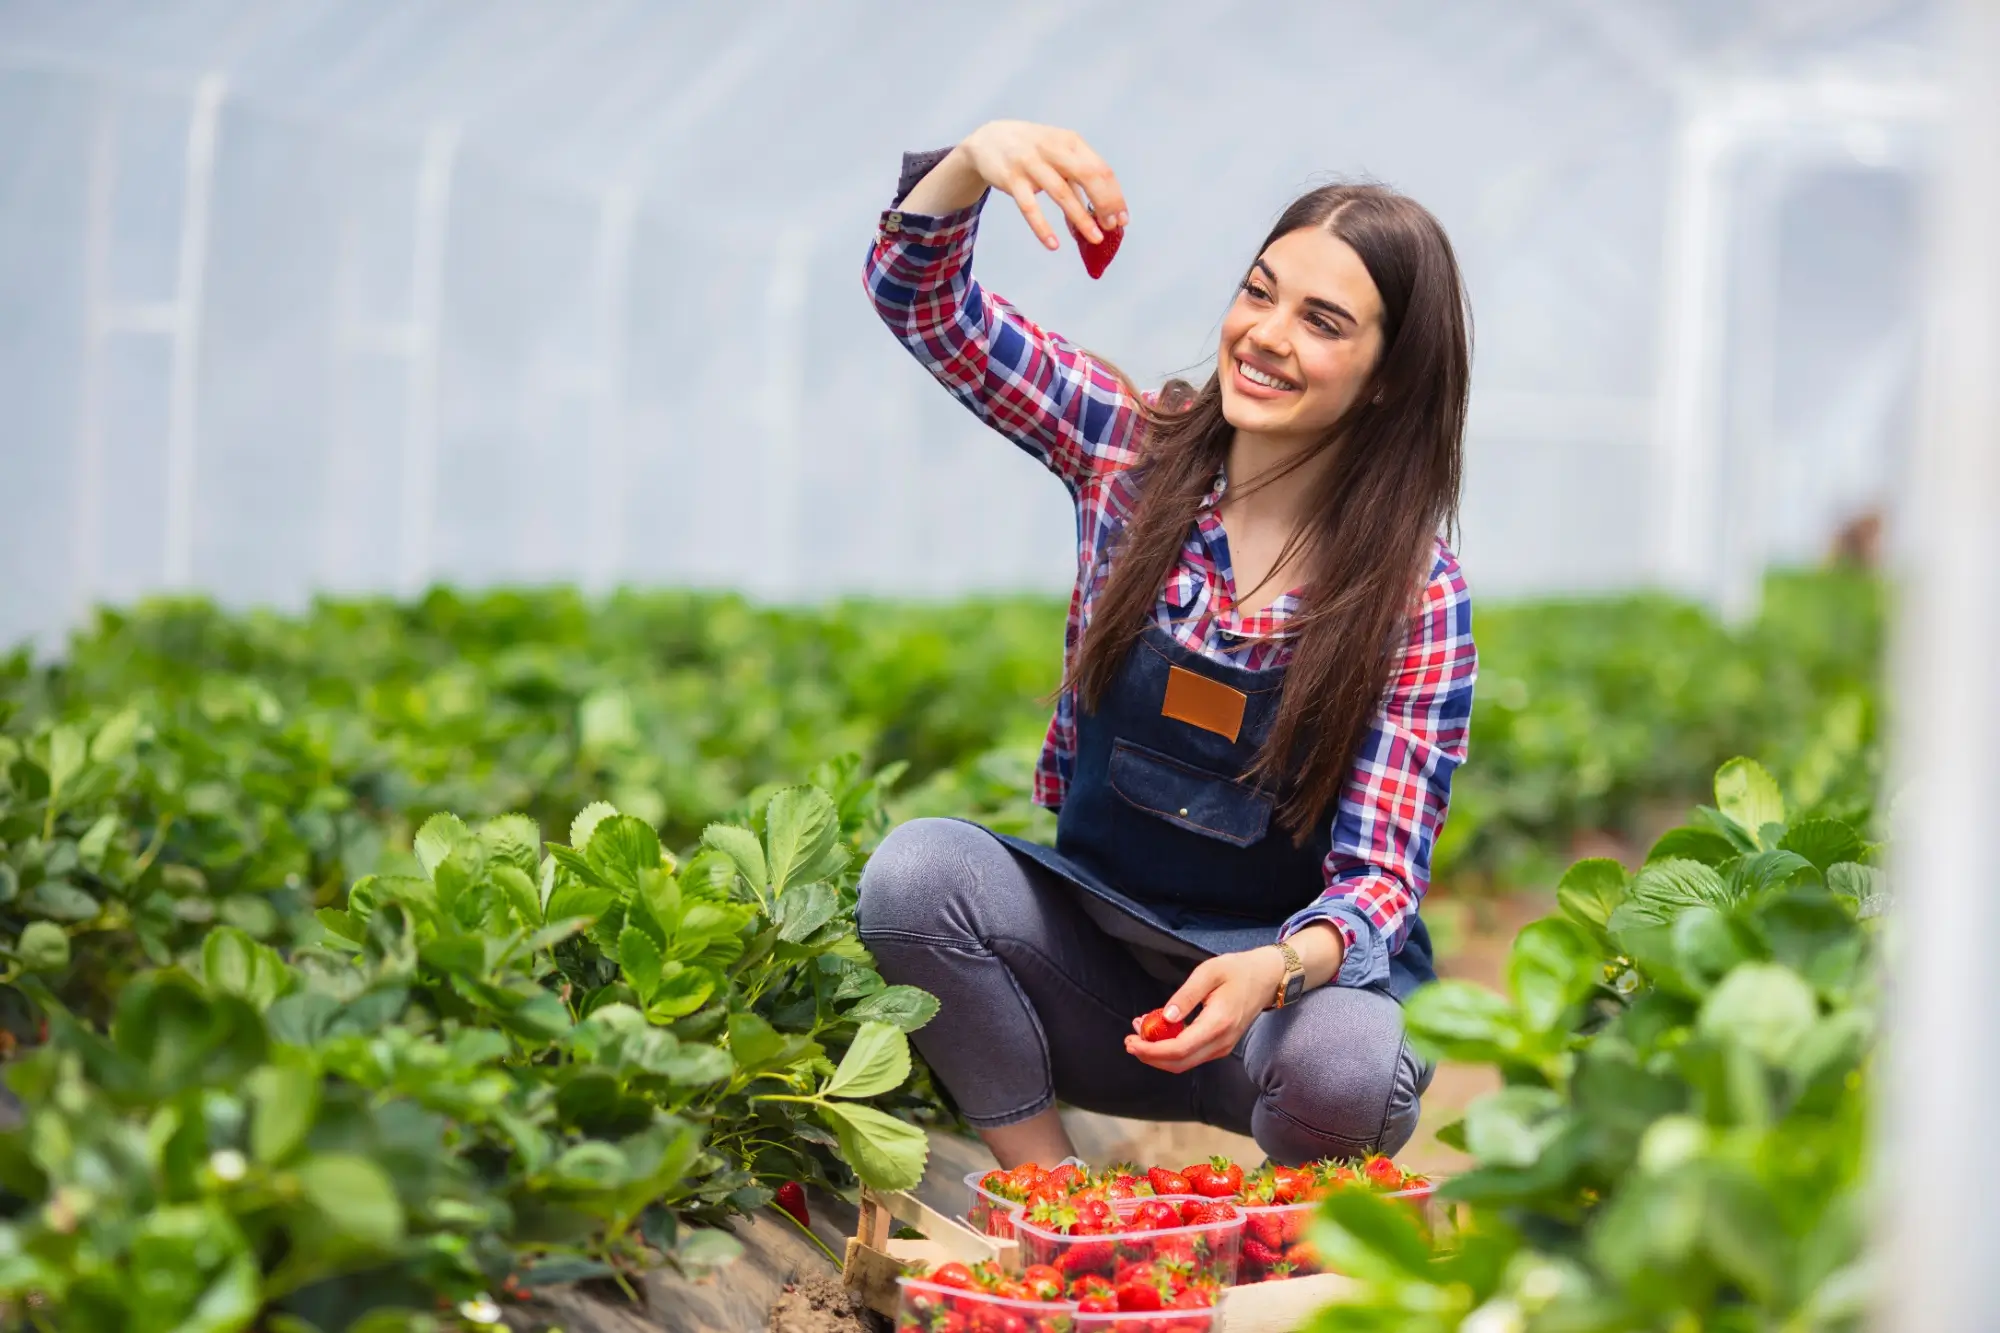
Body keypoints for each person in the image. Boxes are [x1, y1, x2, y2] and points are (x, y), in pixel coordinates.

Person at [855, 121, 1477, 1169]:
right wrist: (972, 161)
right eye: (1258, 291)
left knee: (1352, 1067)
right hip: (1095, 977)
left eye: (1321, 321)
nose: (1265, 334)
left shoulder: (1414, 595)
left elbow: (1378, 879)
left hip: (1272, 1013)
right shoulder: (1125, 450)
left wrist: (1269, 971)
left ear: (1384, 377)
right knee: (916, 877)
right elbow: (925, 306)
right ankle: (1053, 1196)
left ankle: (1283, 1238)